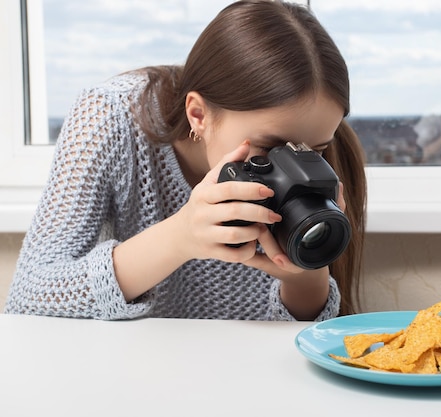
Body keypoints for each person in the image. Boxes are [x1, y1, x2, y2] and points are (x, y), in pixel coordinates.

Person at [4, 0, 367, 321]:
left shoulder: (315, 171)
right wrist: (179, 237)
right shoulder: (110, 117)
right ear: (198, 115)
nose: (296, 164)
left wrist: (305, 273)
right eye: (268, 149)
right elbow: (28, 298)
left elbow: (306, 336)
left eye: (314, 150)